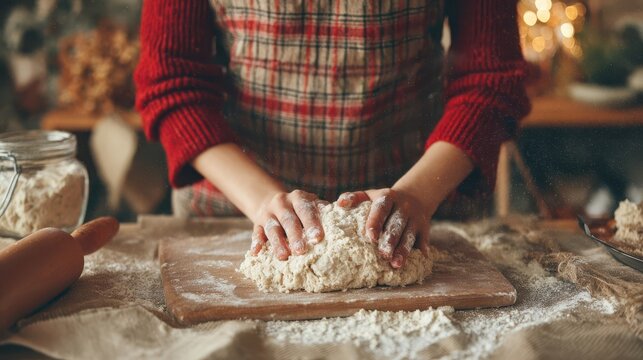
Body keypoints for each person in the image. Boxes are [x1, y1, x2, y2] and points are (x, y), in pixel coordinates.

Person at [135, 0, 530, 269]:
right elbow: (171, 81)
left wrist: (416, 196)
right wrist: (262, 204)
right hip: (232, 217)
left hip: (421, 218)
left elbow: (490, 81)